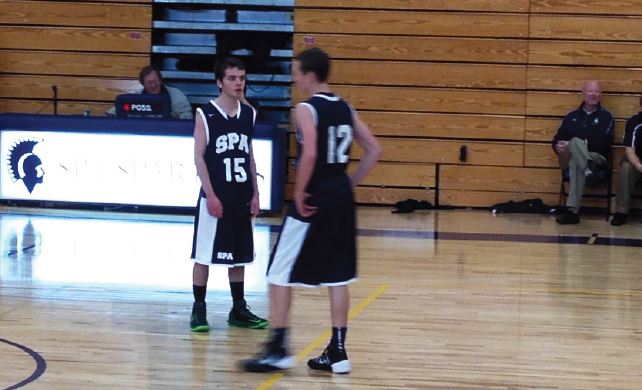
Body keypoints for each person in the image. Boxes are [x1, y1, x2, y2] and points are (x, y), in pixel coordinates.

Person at [242, 47, 381, 374]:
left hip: (315, 195)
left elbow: (309, 155)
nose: (293, 76)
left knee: (278, 271)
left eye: (296, 71)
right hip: (340, 195)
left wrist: (301, 191)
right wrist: (351, 182)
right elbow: (374, 149)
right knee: (339, 275)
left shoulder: (305, 108)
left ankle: (276, 348)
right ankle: (338, 351)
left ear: (309, 75)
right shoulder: (346, 107)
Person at [188, 57, 268, 332]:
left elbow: (250, 155)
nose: (238, 83)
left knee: (240, 256)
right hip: (216, 195)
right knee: (204, 255)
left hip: (242, 194)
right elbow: (199, 157)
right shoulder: (205, 113)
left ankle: (238, 308)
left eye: (242, 78)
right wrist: (210, 194)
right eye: (232, 78)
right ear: (219, 82)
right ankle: (199, 309)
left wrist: (256, 193)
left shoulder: (249, 114)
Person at [552, 80, 614, 224]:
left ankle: (572, 212)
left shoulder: (607, 117)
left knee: (575, 147)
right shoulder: (571, 116)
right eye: (591, 91)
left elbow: (604, 143)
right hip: (570, 158)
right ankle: (587, 171)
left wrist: (576, 144)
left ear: (601, 95)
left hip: (596, 157)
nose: (594, 94)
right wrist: (557, 146)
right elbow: (556, 139)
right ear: (583, 93)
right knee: (573, 151)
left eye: (597, 91)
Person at [106, 65, 193, 119]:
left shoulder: (176, 95)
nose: (153, 85)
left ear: (160, 80)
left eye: (155, 81)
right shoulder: (136, 97)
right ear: (143, 84)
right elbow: (113, 113)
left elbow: (188, 116)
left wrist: (173, 118)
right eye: (149, 83)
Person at [610, 97, 642, 226]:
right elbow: (629, 150)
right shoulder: (634, 121)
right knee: (626, 167)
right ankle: (621, 212)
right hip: (636, 160)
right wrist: (639, 166)